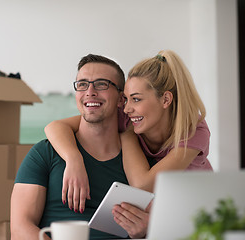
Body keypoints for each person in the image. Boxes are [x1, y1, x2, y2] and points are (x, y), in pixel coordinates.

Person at [44, 50, 213, 216]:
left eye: (137, 99)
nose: (127, 108)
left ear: (166, 100)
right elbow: (55, 127)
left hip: (198, 208)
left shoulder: (193, 129)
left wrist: (128, 135)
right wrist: (74, 160)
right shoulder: (128, 115)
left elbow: (142, 186)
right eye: (126, 99)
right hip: (159, 209)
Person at [11, 54, 153, 240]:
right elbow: (20, 228)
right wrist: (74, 158)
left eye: (102, 84)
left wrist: (145, 232)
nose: (90, 91)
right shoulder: (44, 153)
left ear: (121, 99)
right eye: (82, 84)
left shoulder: (141, 164)